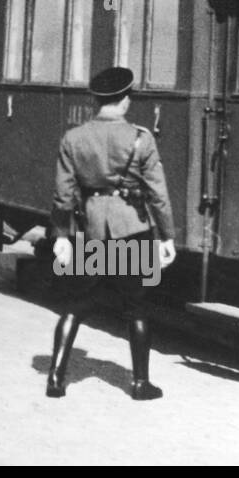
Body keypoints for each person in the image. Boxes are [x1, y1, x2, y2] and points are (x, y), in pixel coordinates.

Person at [45, 66, 177, 401]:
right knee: (136, 306)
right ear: (125, 100)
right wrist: (167, 237)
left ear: (97, 99)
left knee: (75, 303)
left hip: (90, 229)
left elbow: (63, 194)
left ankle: (56, 378)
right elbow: (158, 194)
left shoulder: (73, 138)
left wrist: (62, 235)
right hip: (132, 228)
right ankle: (140, 384)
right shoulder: (140, 139)